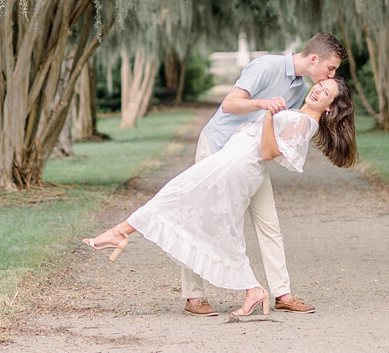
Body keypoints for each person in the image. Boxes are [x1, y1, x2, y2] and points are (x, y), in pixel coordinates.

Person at [82, 75, 358, 317]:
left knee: (180, 198)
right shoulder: (300, 116)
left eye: (325, 92)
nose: (317, 90)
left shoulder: (304, 123)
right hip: (231, 162)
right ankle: (252, 289)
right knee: (219, 225)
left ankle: (120, 232)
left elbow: (268, 152)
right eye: (320, 84)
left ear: (330, 107)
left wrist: (269, 115)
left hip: (235, 167)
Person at [178, 33, 345, 316]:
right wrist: (264, 103)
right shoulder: (266, 66)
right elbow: (230, 105)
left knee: (269, 223)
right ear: (314, 59)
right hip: (218, 147)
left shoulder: (299, 88)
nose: (330, 75)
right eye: (330, 68)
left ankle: (283, 294)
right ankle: (194, 297)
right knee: (203, 219)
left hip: (250, 158)